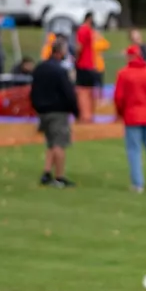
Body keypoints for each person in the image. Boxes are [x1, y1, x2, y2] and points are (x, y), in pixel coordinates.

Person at [113, 45, 146, 193]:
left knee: (134, 151)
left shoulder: (124, 74)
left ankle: (138, 184)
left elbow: (119, 98)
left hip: (131, 117)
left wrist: (120, 113)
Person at [29, 40, 79, 188]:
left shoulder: (40, 68)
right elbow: (68, 92)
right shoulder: (60, 70)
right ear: (60, 52)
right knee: (59, 144)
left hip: (42, 111)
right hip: (58, 111)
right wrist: (76, 110)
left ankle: (46, 172)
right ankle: (59, 177)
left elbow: (33, 89)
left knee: (51, 143)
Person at [74, 13, 97, 123]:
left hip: (83, 64)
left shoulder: (82, 30)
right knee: (90, 91)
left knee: (82, 91)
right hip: (90, 64)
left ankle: (84, 116)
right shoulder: (90, 31)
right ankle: (90, 115)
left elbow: (79, 47)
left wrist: (75, 59)